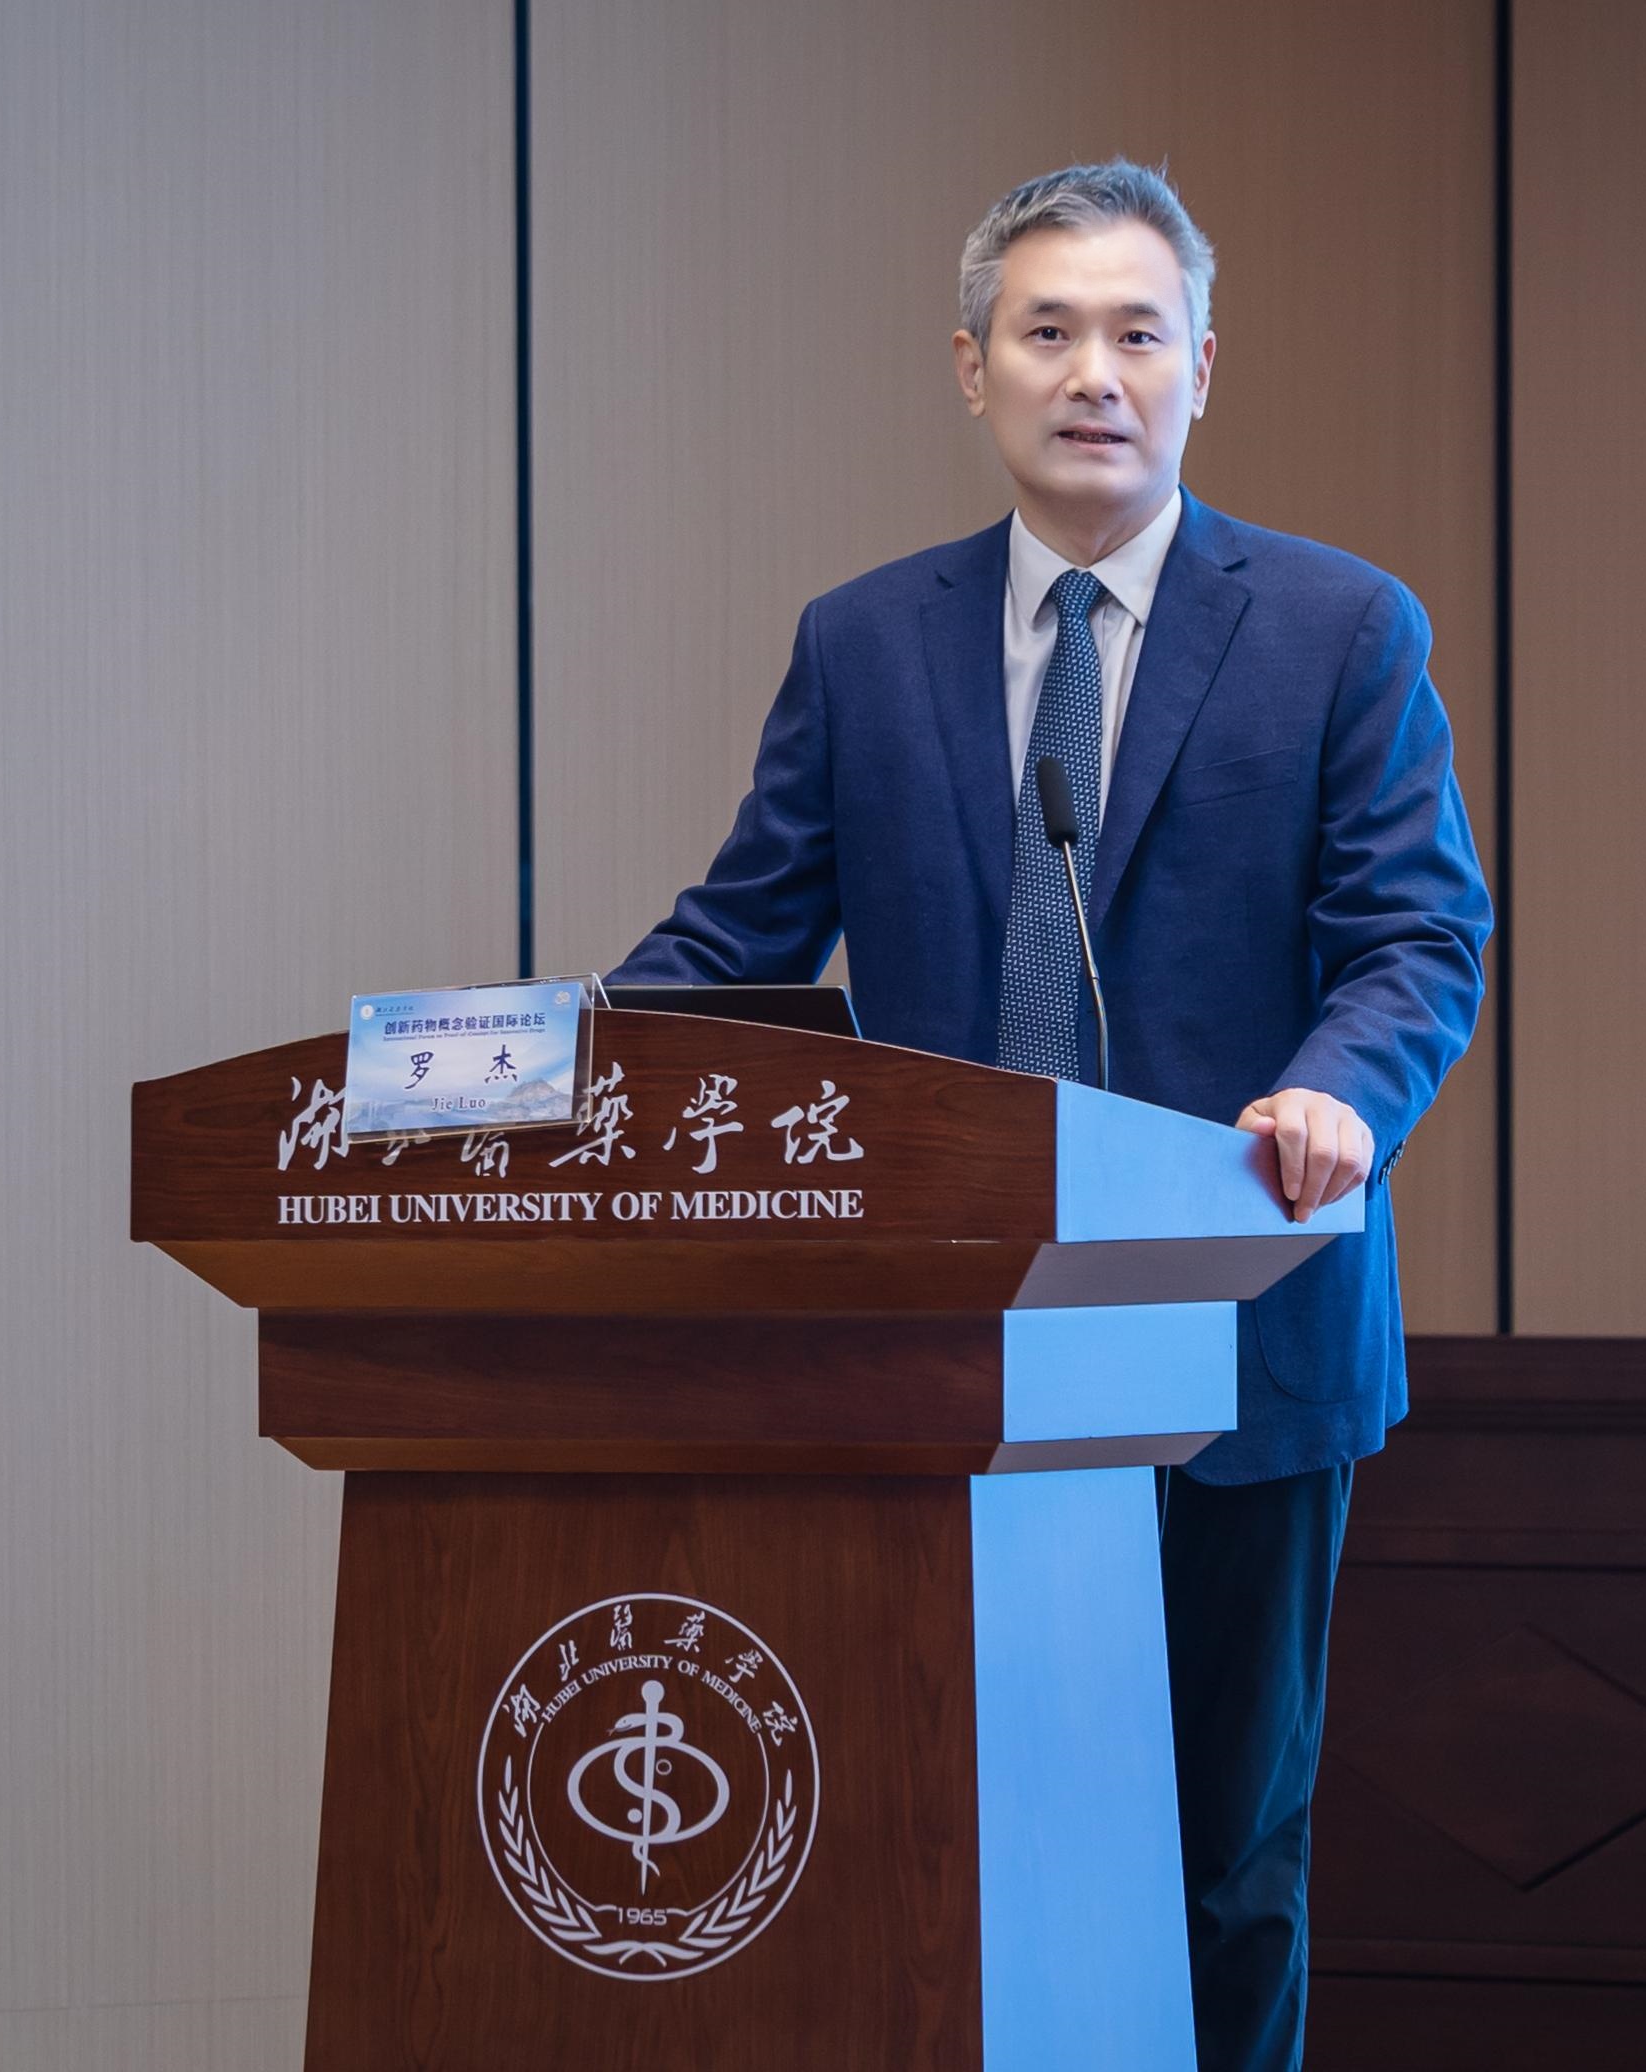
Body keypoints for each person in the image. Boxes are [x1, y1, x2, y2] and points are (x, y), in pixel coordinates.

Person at [609, 159, 1491, 2069]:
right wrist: (549, 1064)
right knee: (940, 1848)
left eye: (1135, 333)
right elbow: (739, 940)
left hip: (1233, 1323)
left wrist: (1336, 1097)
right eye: (1047, 331)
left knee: (1219, 1862)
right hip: (941, 1345)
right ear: (972, 368)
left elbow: (1416, 936)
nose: (1094, 373)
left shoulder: (1338, 627)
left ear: (1199, 371)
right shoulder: (864, 643)